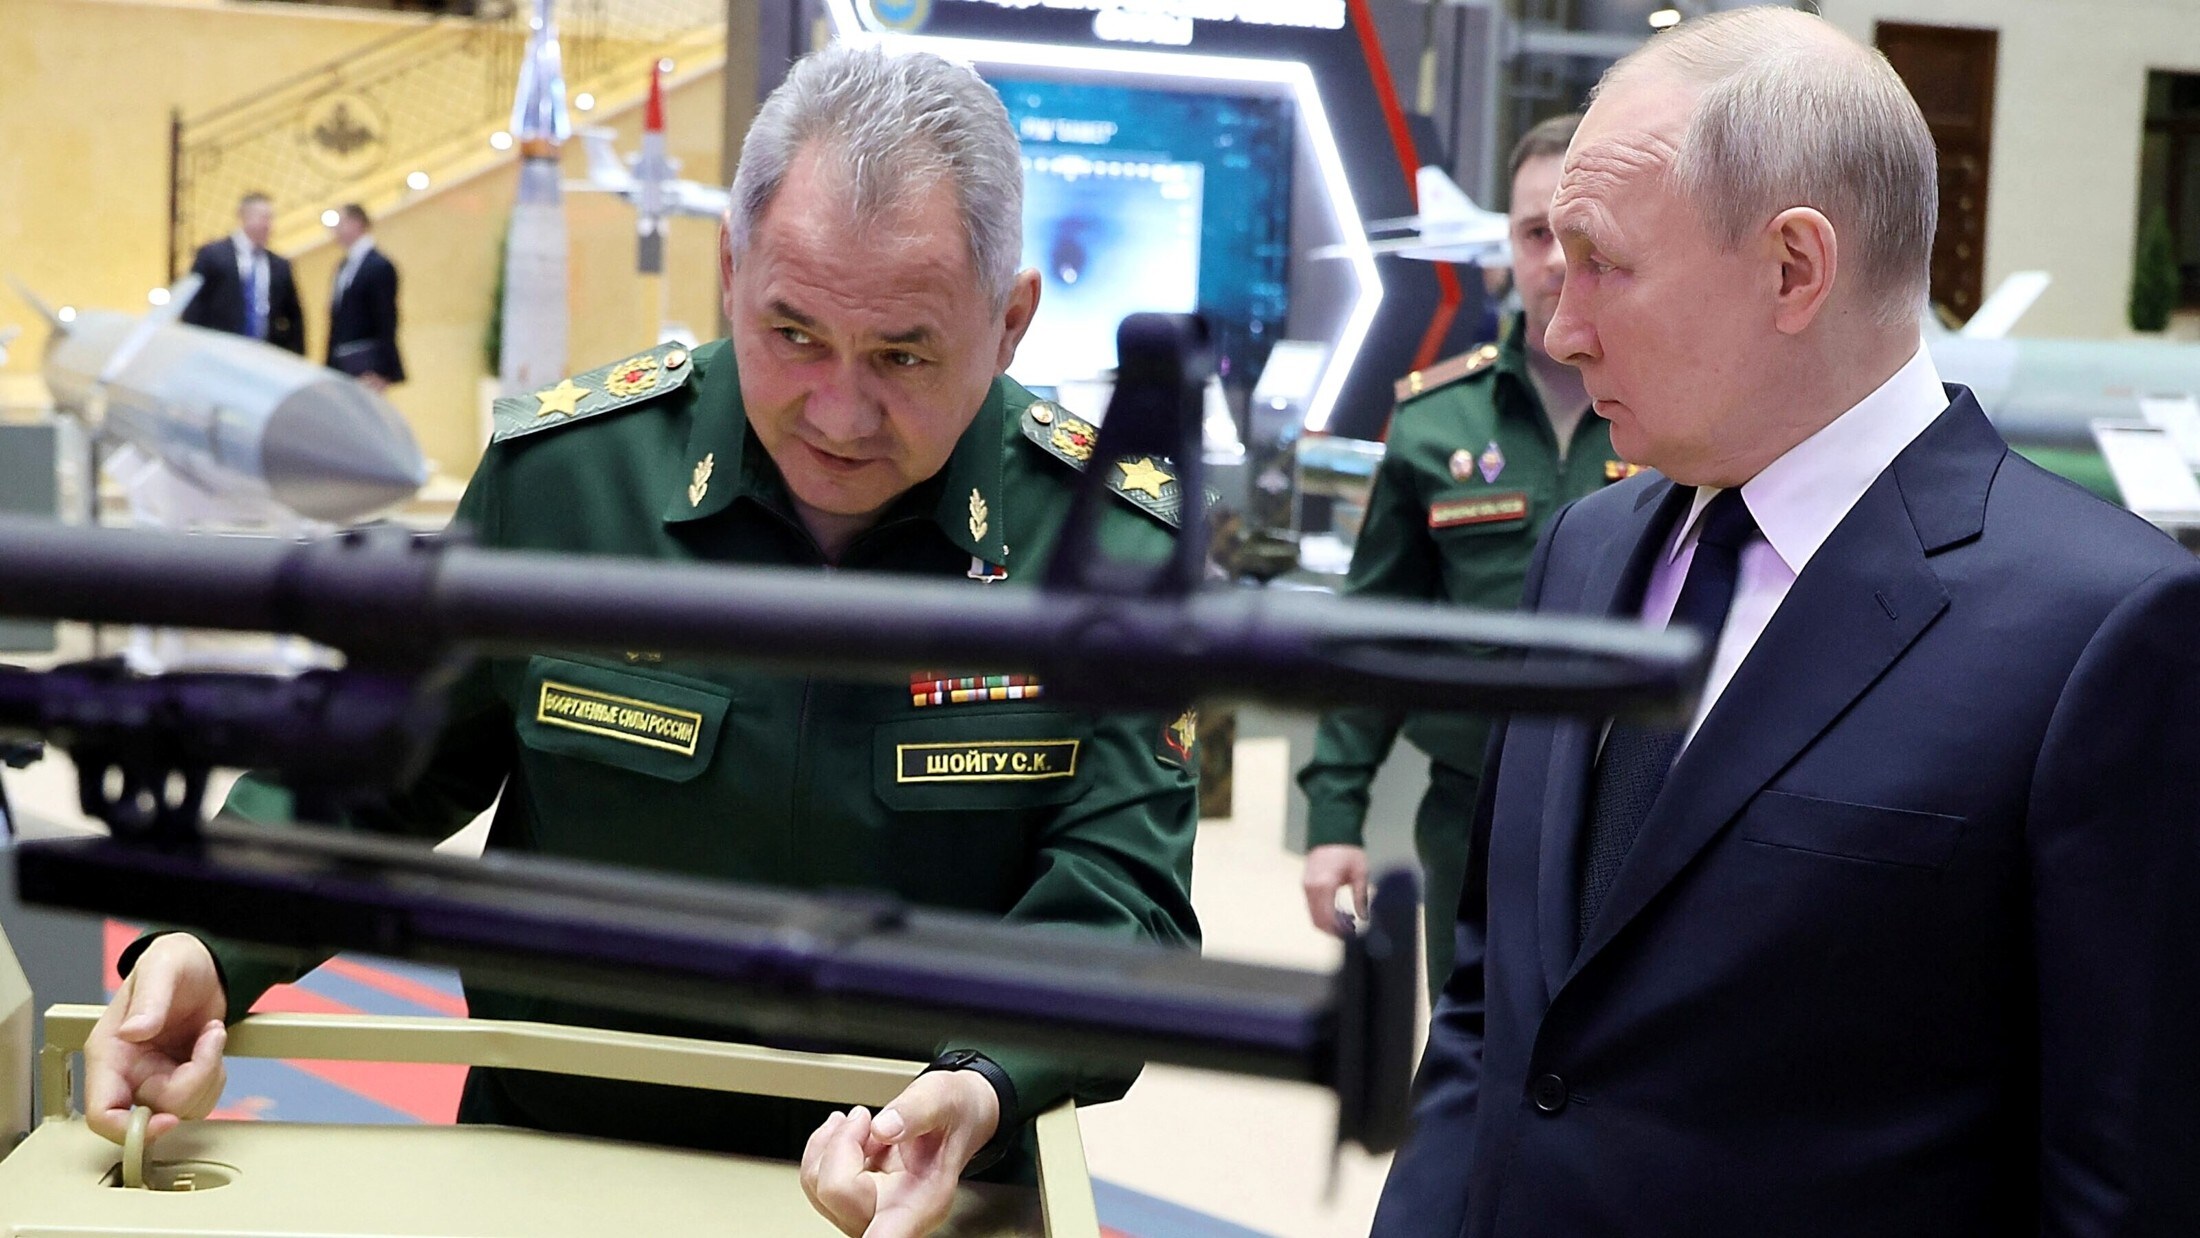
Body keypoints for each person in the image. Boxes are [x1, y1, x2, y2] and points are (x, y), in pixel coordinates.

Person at [85, 44, 1201, 1238]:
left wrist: (985, 1079)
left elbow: (1120, 892)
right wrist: (210, 938)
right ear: (730, 272)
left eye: (904, 355)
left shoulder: (1111, 548)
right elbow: (369, 773)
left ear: (1012, 319)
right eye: (794, 333)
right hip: (553, 1173)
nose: (837, 409)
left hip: (924, 1187)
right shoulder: (567, 483)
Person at [1375, 8, 2200, 1236]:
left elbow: (2119, 1174)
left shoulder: (2101, 630)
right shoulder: (1587, 550)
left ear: (1793, 269)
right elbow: (1499, 1012)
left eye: (1603, 263)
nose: (1561, 325)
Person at [1296, 114, 1631, 995]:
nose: (1558, 259)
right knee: (1467, 1048)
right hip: (1470, 813)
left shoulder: (1680, 418)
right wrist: (1335, 817)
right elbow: (1377, 631)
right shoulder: (1433, 422)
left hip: (1635, 815)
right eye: (1535, 234)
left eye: (1581, 233)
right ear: (1507, 248)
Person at [178, 191, 304, 354]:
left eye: (270, 218)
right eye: (263, 218)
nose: (268, 225)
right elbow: (194, 308)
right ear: (244, 217)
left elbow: (294, 316)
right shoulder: (213, 256)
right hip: (221, 352)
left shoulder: (279, 266)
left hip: (265, 355)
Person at [325, 203, 404, 391]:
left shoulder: (379, 266)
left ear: (356, 223)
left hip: (367, 366)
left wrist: (382, 368)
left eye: (340, 223)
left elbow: (386, 318)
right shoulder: (343, 266)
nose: (335, 230)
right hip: (342, 364)